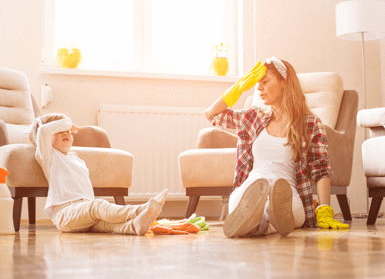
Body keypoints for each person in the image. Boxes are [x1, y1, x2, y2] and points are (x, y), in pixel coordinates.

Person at [204, 57, 349, 238]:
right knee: (243, 201)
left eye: (265, 81)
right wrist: (239, 88)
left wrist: (324, 207)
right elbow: (212, 115)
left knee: (292, 210)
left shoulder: (310, 123)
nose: (259, 88)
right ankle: (267, 224)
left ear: (284, 83)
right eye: (257, 83)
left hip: (285, 191)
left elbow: (321, 169)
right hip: (251, 187)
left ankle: (256, 224)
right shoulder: (254, 117)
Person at [27, 113, 168, 236]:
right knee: (98, 206)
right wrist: (68, 124)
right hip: (65, 213)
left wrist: (64, 126)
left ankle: (133, 226)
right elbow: (43, 131)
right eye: (59, 130)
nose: (66, 133)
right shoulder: (49, 157)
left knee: (106, 224)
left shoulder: (76, 160)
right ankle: (138, 210)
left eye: (68, 132)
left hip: (83, 211)